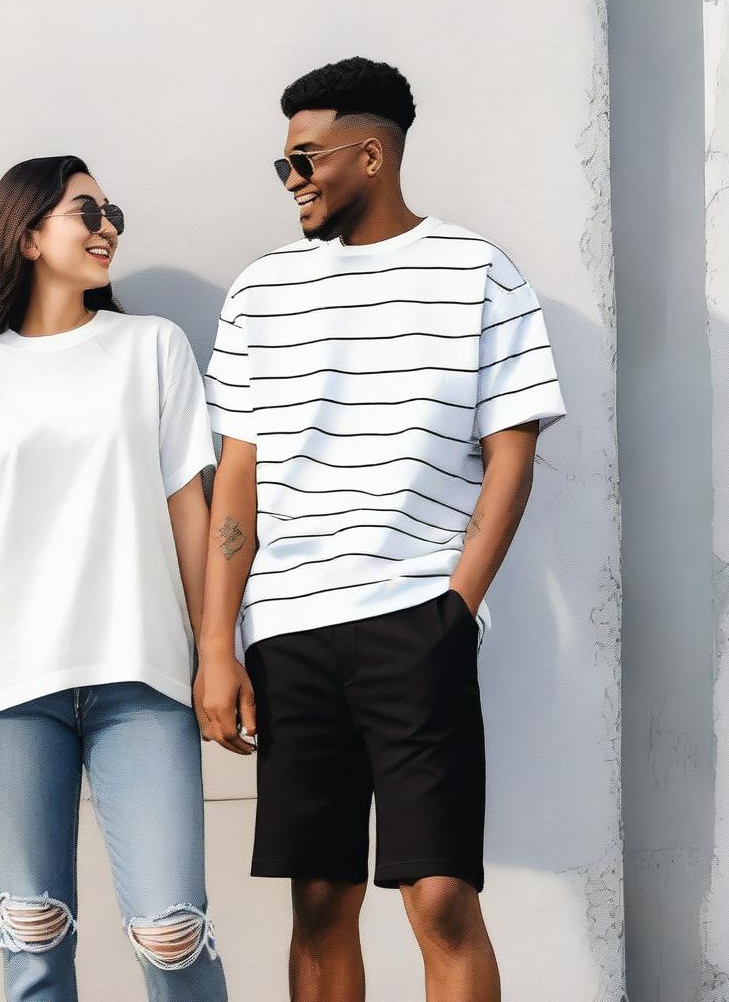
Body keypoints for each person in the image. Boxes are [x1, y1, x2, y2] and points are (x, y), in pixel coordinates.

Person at [195, 57, 567, 1002]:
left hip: (417, 617)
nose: (294, 181)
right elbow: (236, 478)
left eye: (305, 159)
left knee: (441, 898)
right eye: (285, 165)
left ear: (372, 152)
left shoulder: (478, 271)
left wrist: (456, 609)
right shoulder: (261, 291)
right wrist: (215, 646)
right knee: (321, 898)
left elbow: (511, 457)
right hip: (287, 630)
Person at [0, 155, 228, 1002]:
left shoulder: (151, 349)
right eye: (87, 211)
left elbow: (190, 515)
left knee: (172, 934)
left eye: (112, 209)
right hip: (9, 690)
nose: (107, 225)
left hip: (143, 680)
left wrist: (216, 655)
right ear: (29, 235)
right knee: (32, 943)